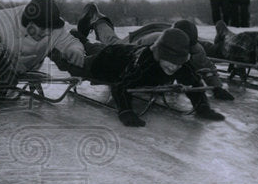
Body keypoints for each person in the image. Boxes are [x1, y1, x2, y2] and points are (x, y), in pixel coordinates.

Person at [75, 24, 227, 127]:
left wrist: (203, 108)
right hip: (108, 60)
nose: (174, 67)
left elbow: (195, 83)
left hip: (122, 51)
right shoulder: (145, 64)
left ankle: (82, 40)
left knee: (96, 47)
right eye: (170, 62)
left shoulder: (181, 64)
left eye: (178, 63)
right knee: (81, 59)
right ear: (159, 55)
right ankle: (77, 39)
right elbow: (120, 87)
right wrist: (126, 111)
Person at [76, 5, 235, 102]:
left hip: (167, 29)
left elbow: (205, 64)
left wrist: (216, 87)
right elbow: (126, 54)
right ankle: (98, 19)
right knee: (113, 44)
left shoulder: (195, 48)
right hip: (145, 35)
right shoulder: (155, 42)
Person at [0, 0, 86, 76]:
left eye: (50, 28)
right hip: (2, 67)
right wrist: (8, 62)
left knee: (61, 54)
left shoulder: (55, 28)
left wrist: (75, 50)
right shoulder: (1, 21)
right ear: (28, 22)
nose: (47, 33)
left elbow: (70, 41)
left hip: (32, 64)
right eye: (42, 28)